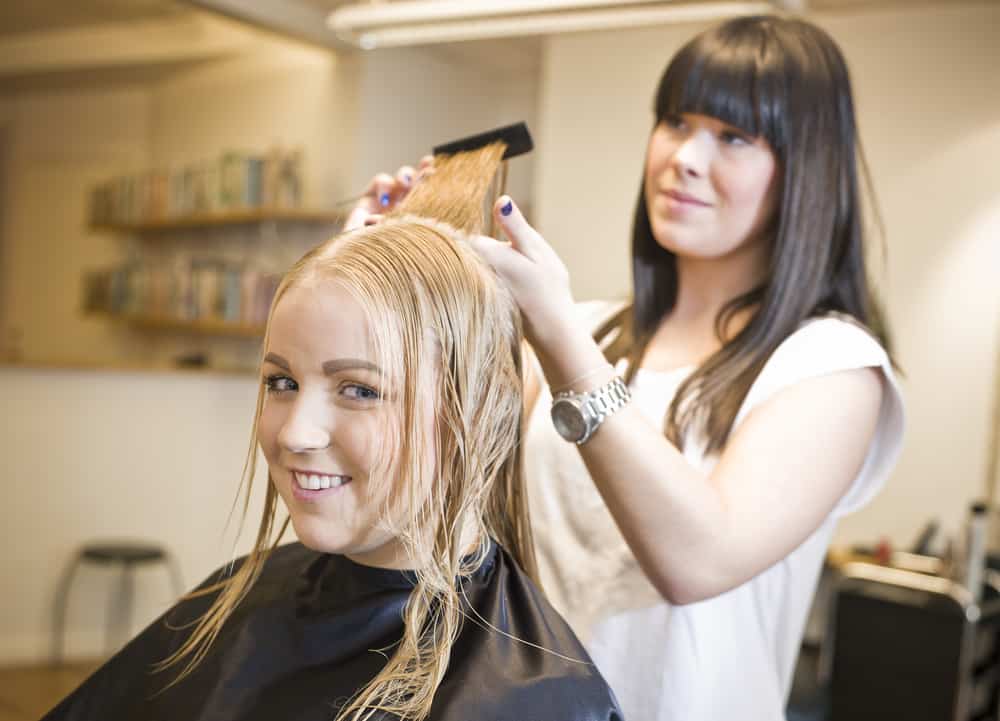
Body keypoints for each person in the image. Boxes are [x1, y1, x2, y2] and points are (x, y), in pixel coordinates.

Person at [360, 14, 905, 721]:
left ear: (803, 169)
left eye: (733, 137)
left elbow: (698, 561)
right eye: (676, 122)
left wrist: (557, 338)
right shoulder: (585, 331)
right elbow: (418, 466)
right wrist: (383, 274)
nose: (683, 156)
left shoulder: (834, 363)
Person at [42, 144, 623, 721]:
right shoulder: (236, 600)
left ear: (476, 410)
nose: (296, 434)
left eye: (360, 390)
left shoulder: (536, 698)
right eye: (281, 381)